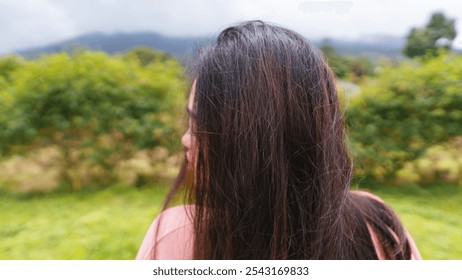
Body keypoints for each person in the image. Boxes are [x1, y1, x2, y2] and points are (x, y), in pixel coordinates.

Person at [136, 20, 421, 260]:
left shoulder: (177, 235)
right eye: (190, 121)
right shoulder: (378, 225)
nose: (186, 139)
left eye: (203, 127)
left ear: (256, 144)